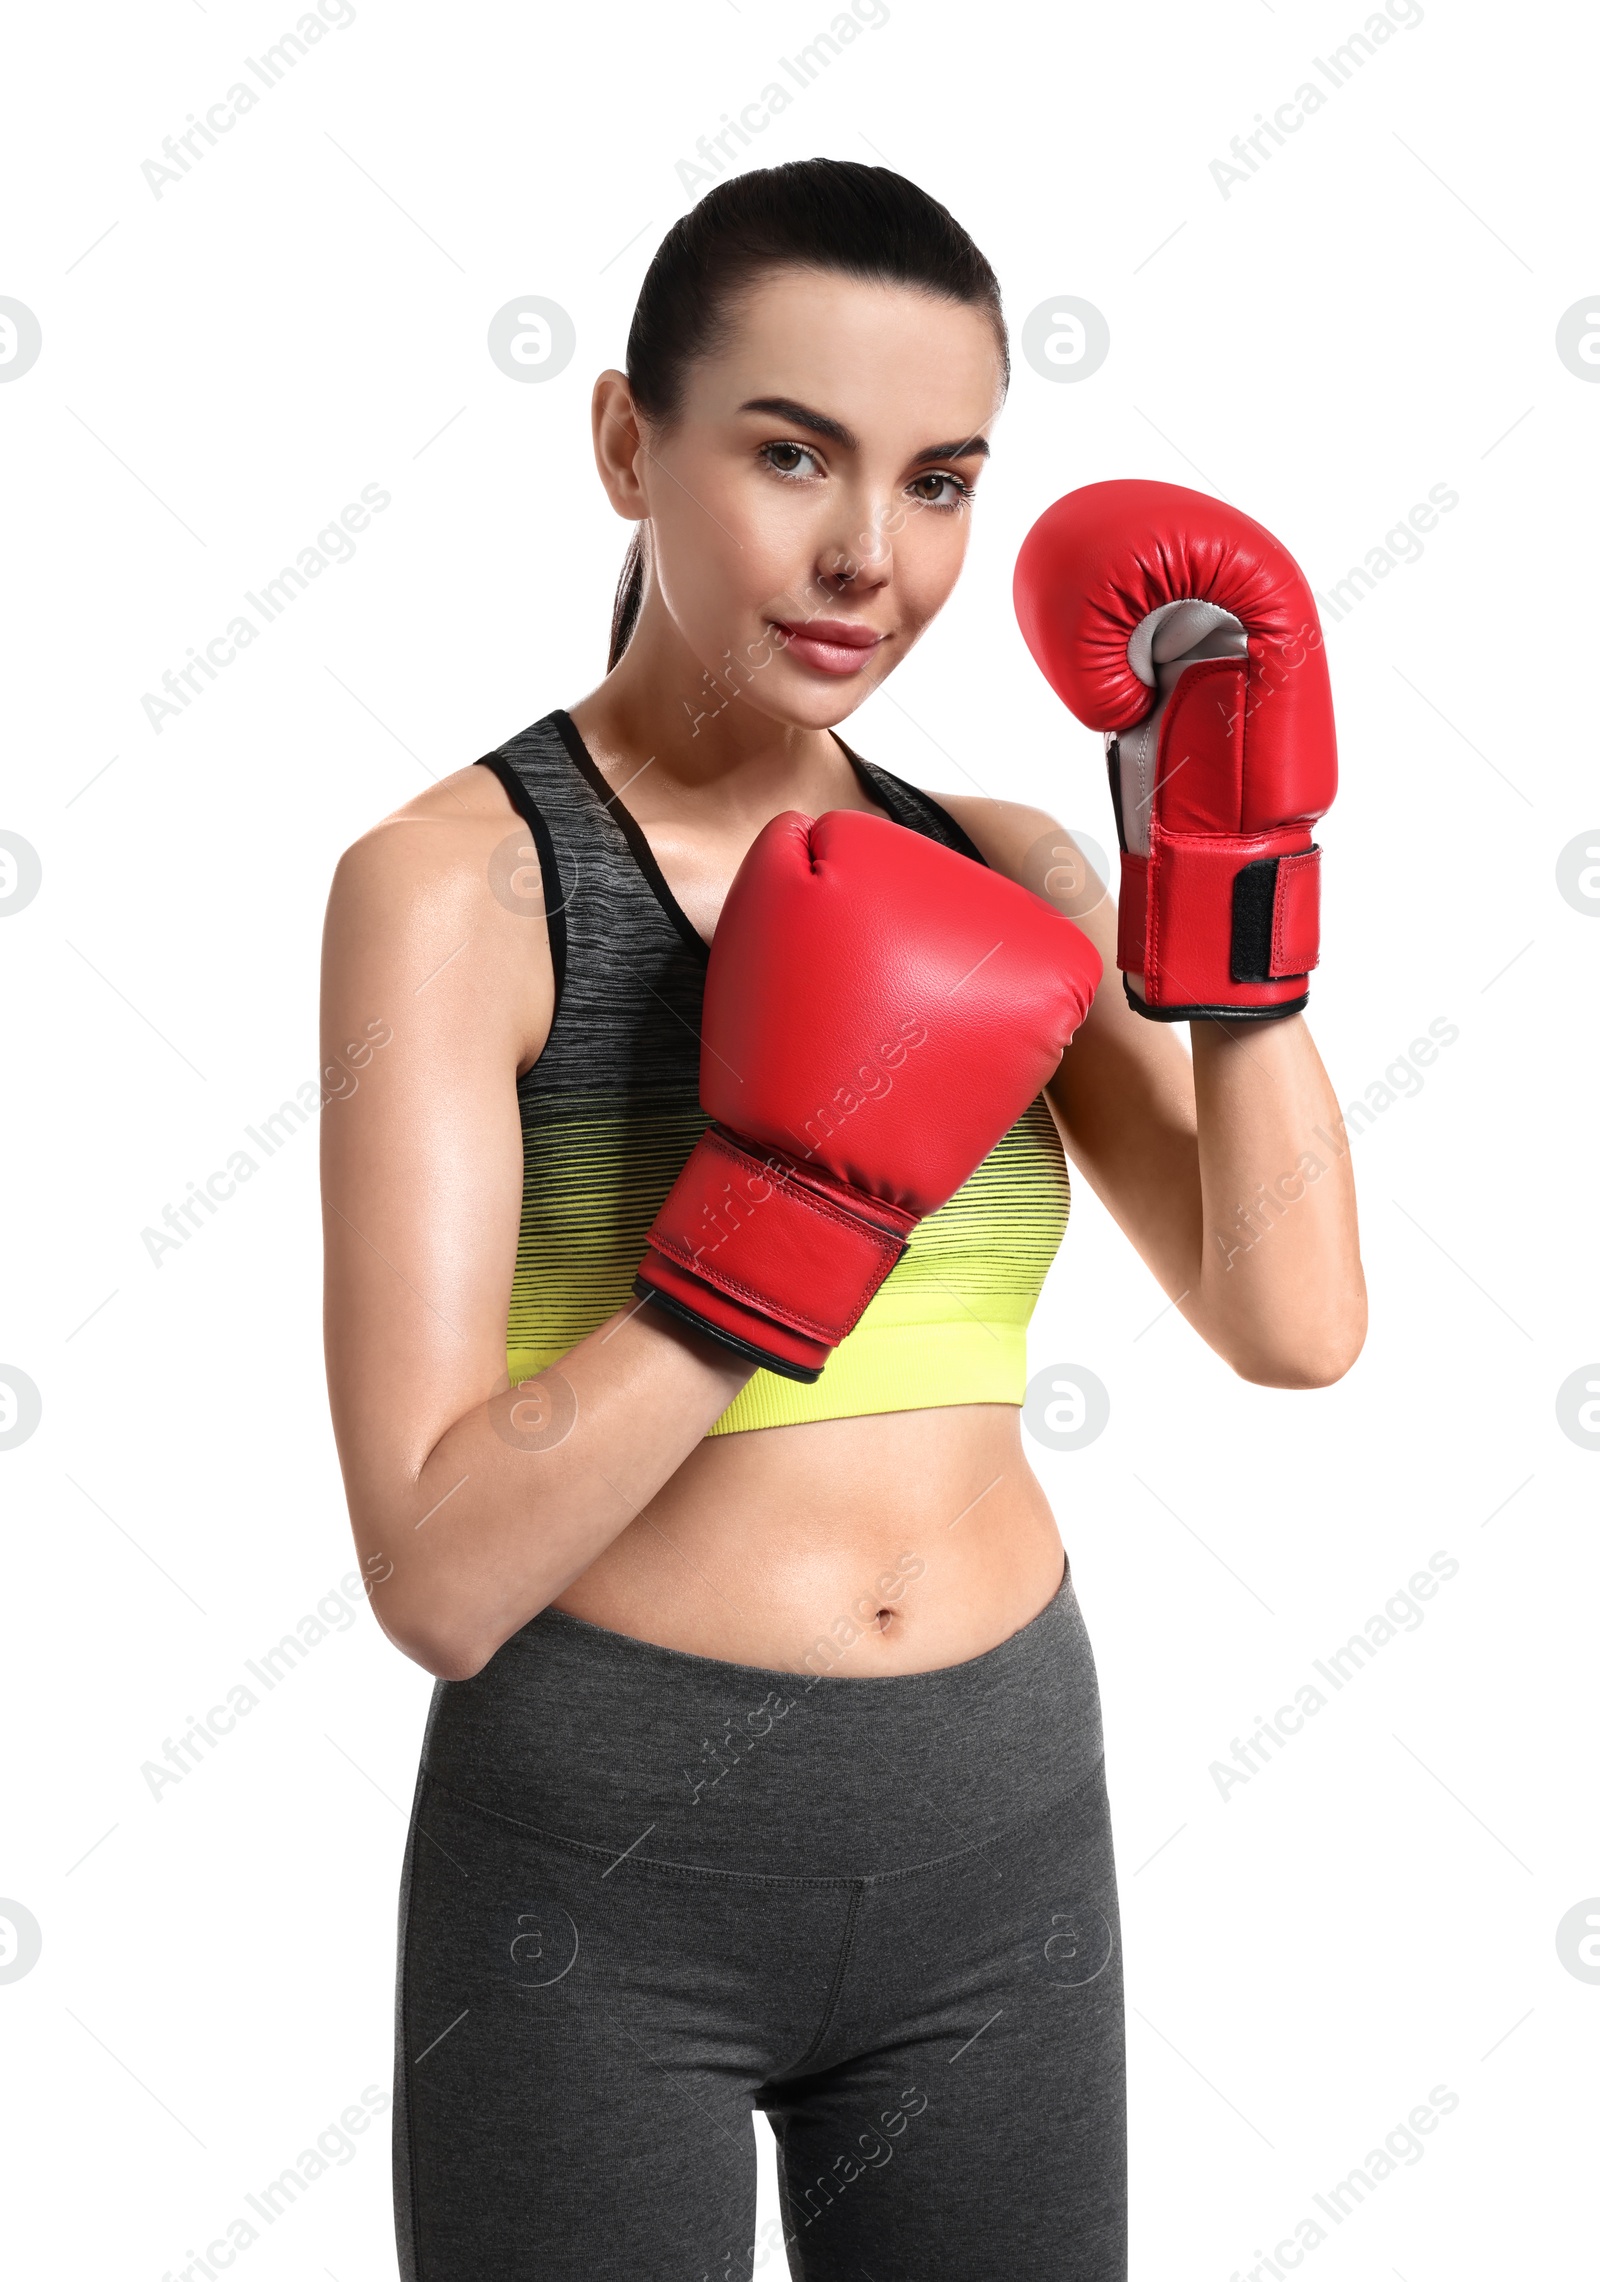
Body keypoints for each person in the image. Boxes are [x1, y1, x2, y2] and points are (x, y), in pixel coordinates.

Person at [319, 157, 1366, 2282]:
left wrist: (1222, 911)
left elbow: (1294, 1320)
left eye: (941, 478)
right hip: (601, 1879)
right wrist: (788, 1207)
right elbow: (435, 1572)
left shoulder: (998, 875)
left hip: (997, 1830)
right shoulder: (459, 883)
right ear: (626, 439)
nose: (864, 557)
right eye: (788, 452)